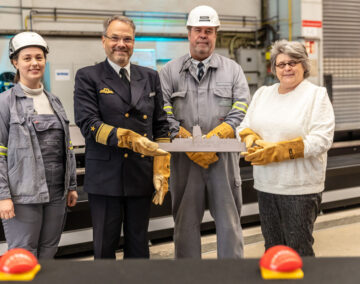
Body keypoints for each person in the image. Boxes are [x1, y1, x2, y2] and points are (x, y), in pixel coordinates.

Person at [73, 15, 170, 259]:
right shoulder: (88, 76)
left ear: (134, 42)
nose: (121, 44)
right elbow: (88, 123)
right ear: (103, 41)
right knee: (105, 246)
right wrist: (129, 138)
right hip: (106, 177)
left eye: (127, 39)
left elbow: (161, 125)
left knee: (139, 245)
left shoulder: (149, 76)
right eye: (114, 38)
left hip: (140, 174)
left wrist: (162, 168)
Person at [159, 5, 250, 259]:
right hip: (184, 159)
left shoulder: (233, 70)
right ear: (189, 33)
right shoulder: (169, 72)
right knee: (185, 225)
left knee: (229, 223)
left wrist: (218, 136)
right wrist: (188, 143)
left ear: (215, 34)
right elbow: (162, 112)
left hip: (224, 158)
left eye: (209, 30)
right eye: (198, 30)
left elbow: (242, 105)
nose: (203, 35)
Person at [0, 32, 78, 258]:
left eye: (39, 57)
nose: (34, 63)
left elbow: (67, 147)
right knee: (23, 253)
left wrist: (72, 184)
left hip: (57, 191)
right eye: (27, 58)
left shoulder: (53, 100)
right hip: (22, 194)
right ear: (15, 62)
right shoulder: (2, 103)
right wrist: (2, 195)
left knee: (49, 250)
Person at [237, 40, 335, 256]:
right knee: (272, 250)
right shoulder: (263, 94)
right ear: (274, 68)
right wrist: (250, 137)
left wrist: (278, 151)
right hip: (266, 185)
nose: (287, 68)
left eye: (293, 62)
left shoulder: (316, 95)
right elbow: (244, 126)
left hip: (299, 188)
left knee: (298, 250)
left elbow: (322, 140)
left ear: (303, 65)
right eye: (281, 64)